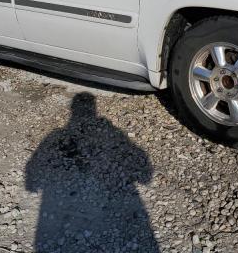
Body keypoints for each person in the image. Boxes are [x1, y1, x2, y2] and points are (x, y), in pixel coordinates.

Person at [25, 92, 159, 252]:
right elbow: (146, 174)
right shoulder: (109, 129)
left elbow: (31, 180)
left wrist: (32, 182)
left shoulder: (56, 134)